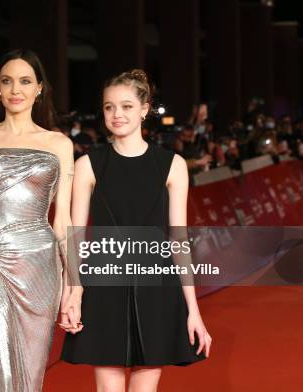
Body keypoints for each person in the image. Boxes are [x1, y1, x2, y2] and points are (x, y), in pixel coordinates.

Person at [61, 70, 212, 391]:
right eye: (109, 107)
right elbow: (75, 236)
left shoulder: (172, 165)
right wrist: (72, 291)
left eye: (127, 106)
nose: (117, 115)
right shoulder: (89, 164)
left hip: (157, 286)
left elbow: (178, 241)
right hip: (104, 285)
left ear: (145, 109)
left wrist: (193, 311)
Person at [0, 49, 78, 392]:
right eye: (7, 81)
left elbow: (64, 220)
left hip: (40, 264)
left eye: (25, 81)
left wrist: (75, 285)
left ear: (39, 88)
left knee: (31, 371)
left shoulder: (59, 144)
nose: (15, 89)